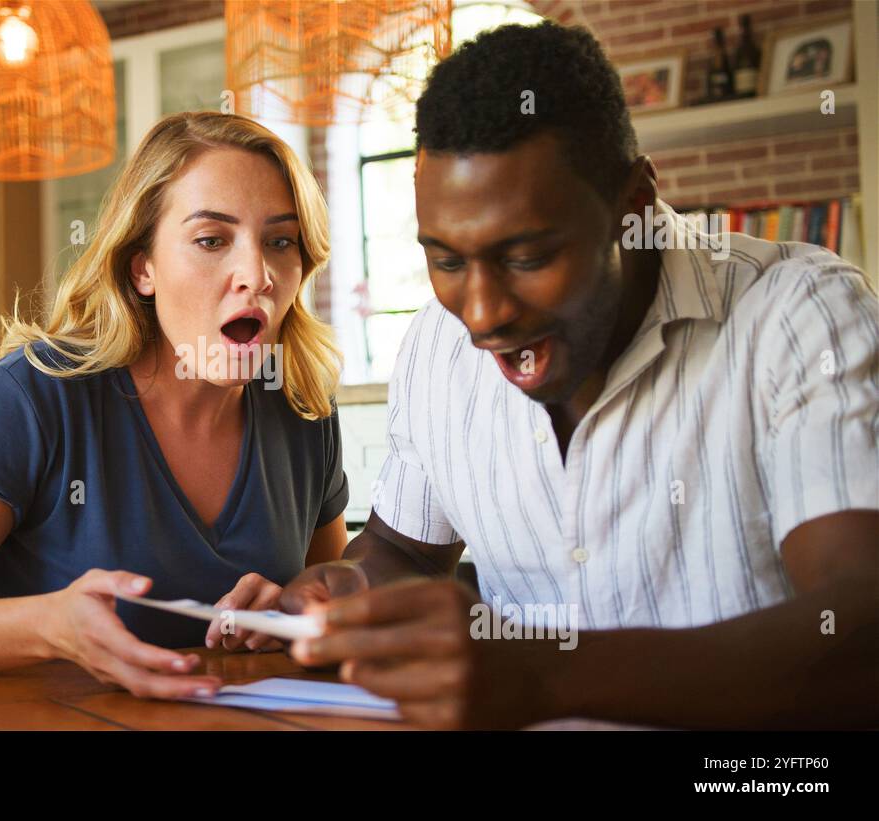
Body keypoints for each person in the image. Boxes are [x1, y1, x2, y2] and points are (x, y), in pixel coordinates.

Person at [281, 21, 878, 729]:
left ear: (634, 208)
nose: (481, 314)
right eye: (445, 260)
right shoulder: (435, 345)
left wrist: (545, 674)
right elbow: (406, 547)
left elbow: (859, 627)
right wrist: (344, 589)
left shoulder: (799, 315)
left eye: (527, 256)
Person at [0, 112, 350, 700]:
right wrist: (48, 627)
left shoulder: (303, 408)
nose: (256, 274)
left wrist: (290, 612)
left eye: (280, 242)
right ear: (143, 268)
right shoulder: (36, 397)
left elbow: (328, 604)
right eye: (211, 240)